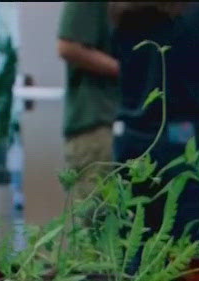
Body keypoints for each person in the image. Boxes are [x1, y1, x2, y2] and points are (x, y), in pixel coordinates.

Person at [108, 2, 199, 237]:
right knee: (190, 250)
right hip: (187, 148)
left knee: (133, 246)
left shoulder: (121, 8)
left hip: (132, 143)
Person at [58, 0, 120, 192]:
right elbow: (68, 46)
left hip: (124, 125)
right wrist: (130, 70)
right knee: (96, 215)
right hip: (97, 127)